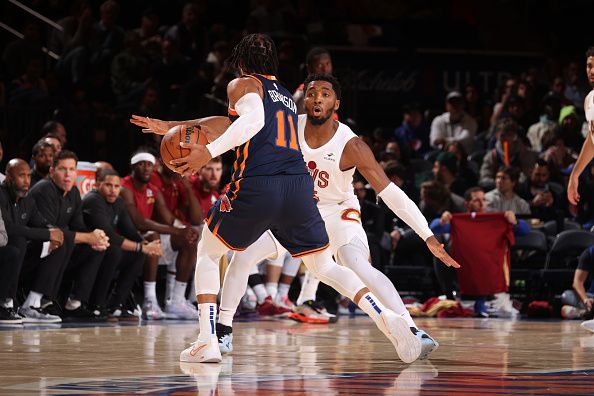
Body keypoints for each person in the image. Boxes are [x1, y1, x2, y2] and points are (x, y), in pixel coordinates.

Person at [131, 34, 458, 365]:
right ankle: (390, 322)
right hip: (300, 192)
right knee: (322, 266)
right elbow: (229, 123)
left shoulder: (242, 84)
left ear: (240, 62)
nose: (316, 98)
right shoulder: (286, 98)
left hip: (265, 186)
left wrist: (209, 153)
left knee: (208, 248)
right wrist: (173, 125)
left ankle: (206, 340)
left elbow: (251, 121)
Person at [217, 74, 459, 352]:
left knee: (356, 264)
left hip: (337, 213)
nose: (317, 97)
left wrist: (427, 235)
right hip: (294, 211)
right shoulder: (288, 129)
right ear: (304, 100)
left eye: (325, 93)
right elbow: (237, 131)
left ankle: (412, 330)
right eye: (311, 93)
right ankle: (223, 330)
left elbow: (391, 193)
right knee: (242, 254)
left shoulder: (351, 145)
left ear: (336, 103)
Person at [21, 150, 109, 322]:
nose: (68, 175)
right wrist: (88, 237)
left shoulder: (74, 192)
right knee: (60, 241)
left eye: (72, 169)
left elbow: (79, 226)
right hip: (31, 250)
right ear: (52, 171)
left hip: (58, 253)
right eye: (63, 169)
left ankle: (74, 304)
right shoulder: (43, 190)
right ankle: (32, 303)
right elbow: (49, 231)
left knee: (95, 248)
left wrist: (97, 238)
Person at [120, 151, 199, 320]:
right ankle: (150, 300)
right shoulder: (124, 187)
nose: (146, 168)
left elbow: (168, 219)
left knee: (189, 240)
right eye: (141, 164)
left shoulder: (153, 190)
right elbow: (139, 222)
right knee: (153, 236)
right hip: (129, 237)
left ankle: (177, 301)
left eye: (149, 164)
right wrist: (178, 231)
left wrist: (185, 229)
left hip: (148, 237)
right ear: (133, 167)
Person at [83, 169, 163, 319]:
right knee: (115, 251)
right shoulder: (93, 200)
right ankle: (96, 304)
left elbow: (129, 230)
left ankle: (115, 305)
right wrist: (142, 247)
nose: (113, 190)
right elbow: (110, 235)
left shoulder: (118, 202)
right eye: (108, 185)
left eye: (116, 186)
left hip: (103, 249)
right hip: (86, 250)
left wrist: (147, 245)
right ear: (98, 184)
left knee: (137, 255)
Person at [0, 159, 64, 324]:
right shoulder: (1, 195)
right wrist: (47, 234)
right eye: (21, 176)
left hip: (17, 259)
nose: (27, 181)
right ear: (8, 176)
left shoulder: (28, 200)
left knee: (60, 244)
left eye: (29, 176)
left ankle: (33, 304)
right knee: (18, 241)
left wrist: (53, 231)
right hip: (5, 251)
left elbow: (42, 223)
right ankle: (6, 303)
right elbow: (8, 229)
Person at [568, 47, 594, 208]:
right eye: (589, 65)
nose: (592, 70)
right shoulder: (589, 100)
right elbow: (592, 141)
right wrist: (575, 174)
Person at [293, 47, 333, 114]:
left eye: (327, 64)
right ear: (309, 68)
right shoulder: (303, 95)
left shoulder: (331, 90)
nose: (325, 69)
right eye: (320, 65)